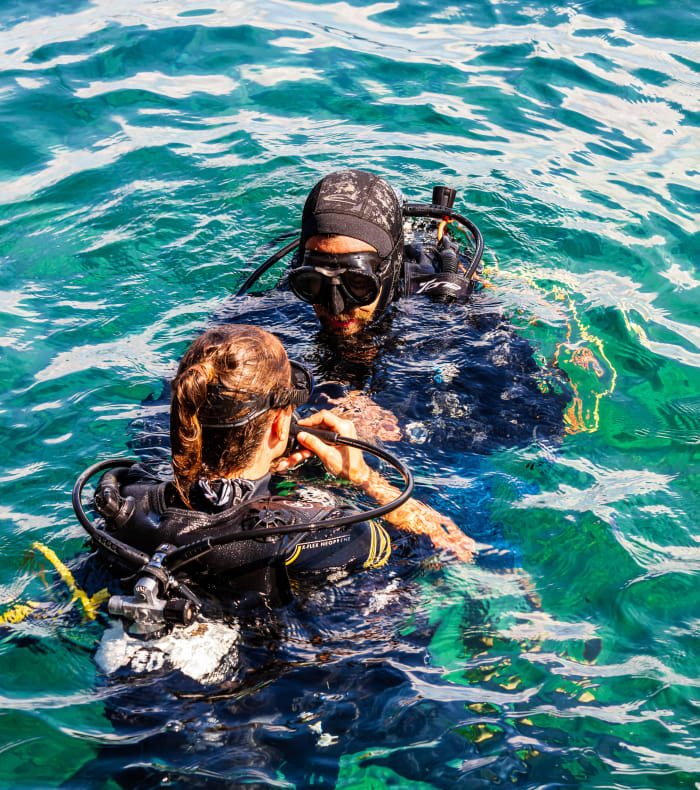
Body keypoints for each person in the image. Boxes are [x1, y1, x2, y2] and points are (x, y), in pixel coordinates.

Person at [93, 324, 475, 617]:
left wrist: (263, 460)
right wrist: (365, 478)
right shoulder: (309, 532)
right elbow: (445, 543)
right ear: (279, 425)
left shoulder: (125, 496)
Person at [287, 168, 474, 337]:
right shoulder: (291, 295)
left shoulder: (433, 306)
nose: (336, 307)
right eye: (315, 280)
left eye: (358, 281)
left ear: (387, 271)